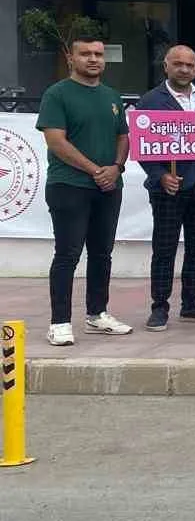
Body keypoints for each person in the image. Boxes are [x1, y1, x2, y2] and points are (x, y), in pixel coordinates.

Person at [35, 36, 132, 346]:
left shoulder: (112, 95)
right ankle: (60, 322)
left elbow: (123, 137)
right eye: (85, 53)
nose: (93, 59)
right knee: (68, 254)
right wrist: (95, 170)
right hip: (69, 186)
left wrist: (116, 167)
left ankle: (97, 314)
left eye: (98, 54)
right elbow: (56, 141)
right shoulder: (57, 94)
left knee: (103, 254)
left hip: (109, 186)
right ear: (70, 58)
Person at [135, 44, 195, 331]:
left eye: (190, 65)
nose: (184, 69)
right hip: (168, 189)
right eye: (178, 64)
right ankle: (159, 307)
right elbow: (144, 146)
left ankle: (191, 303)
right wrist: (160, 175)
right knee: (164, 249)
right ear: (166, 66)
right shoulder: (150, 100)